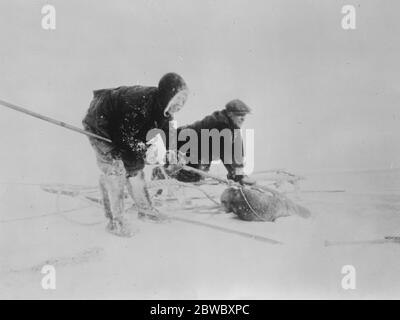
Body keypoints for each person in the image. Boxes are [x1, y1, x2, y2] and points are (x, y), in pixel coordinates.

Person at [82, 73, 188, 237]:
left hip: (122, 127)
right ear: (168, 96)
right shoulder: (139, 103)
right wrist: (139, 156)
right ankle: (115, 221)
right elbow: (124, 138)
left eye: (183, 100)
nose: (180, 104)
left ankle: (145, 210)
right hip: (101, 122)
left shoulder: (162, 108)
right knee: (115, 168)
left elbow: (167, 132)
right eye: (178, 99)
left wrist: (172, 154)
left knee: (135, 169)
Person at [160, 99, 255, 185]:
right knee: (190, 176)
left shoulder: (233, 128)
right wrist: (237, 176)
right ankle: (162, 173)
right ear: (230, 114)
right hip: (183, 142)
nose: (243, 118)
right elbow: (224, 151)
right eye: (240, 115)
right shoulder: (220, 124)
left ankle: (167, 174)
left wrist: (239, 174)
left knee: (196, 176)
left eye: (244, 115)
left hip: (198, 150)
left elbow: (238, 152)